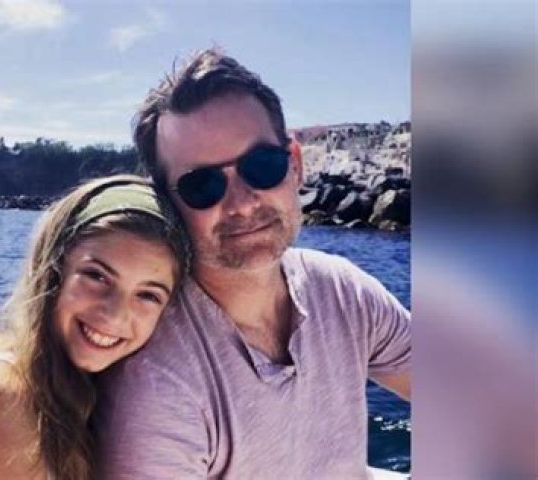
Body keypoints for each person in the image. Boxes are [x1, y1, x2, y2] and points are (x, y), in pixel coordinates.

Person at [94, 48, 411, 479]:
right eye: (202, 185)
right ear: (169, 203)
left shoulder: (341, 291)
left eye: (262, 166)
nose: (242, 204)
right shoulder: (158, 380)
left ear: (295, 164)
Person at [0, 175, 189, 480]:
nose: (114, 315)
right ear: (53, 270)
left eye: (148, 295)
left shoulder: (85, 392)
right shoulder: (0, 397)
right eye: (97, 276)